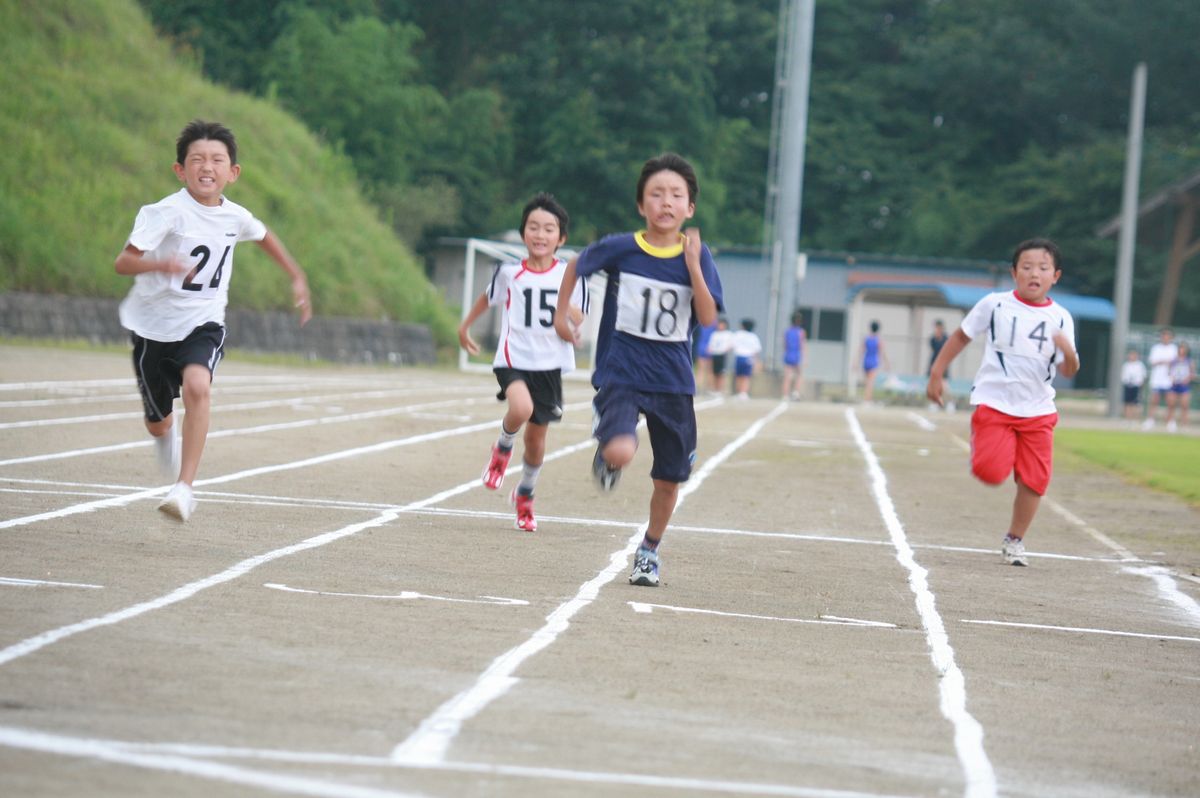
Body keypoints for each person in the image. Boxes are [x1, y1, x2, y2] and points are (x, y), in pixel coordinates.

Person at [115, 119, 311, 522]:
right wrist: (161, 263)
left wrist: (296, 275)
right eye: (197, 159)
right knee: (157, 424)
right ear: (180, 169)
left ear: (232, 172)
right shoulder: (165, 212)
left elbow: (263, 235)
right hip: (153, 328)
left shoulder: (235, 217)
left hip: (203, 321)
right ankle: (164, 436)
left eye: (217, 160)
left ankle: (184, 489)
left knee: (198, 386)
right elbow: (124, 261)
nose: (207, 167)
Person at [554, 153, 722, 587]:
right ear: (641, 204)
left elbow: (707, 319)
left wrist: (693, 269)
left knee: (669, 481)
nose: (665, 202)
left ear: (690, 208)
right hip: (622, 372)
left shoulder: (697, 256)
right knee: (620, 451)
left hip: (672, 382)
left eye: (676, 195)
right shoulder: (622, 248)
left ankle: (648, 550)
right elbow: (576, 265)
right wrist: (561, 314)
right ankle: (606, 447)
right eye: (656, 194)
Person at [926, 238, 1079, 567]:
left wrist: (1068, 352)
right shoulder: (994, 305)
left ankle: (1015, 539)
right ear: (1013, 273)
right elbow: (961, 336)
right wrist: (937, 373)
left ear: (1056, 276)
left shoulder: (1062, 318)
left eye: (1042, 268)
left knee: (1035, 480)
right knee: (991, 472)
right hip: (995, 403)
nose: (1033, 273)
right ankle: (991, 447)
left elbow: (1068, 369)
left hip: (1038, 410)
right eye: (1026, 267)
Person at [458, 193, 586, 531]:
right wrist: (465, 325)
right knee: (521, 409)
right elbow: (488, 297)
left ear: (561, 238)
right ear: (523, 232)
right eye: (533, 227)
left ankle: (525, 493)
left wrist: (572, 320)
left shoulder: (572, 276)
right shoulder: (509, 272)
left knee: (536, 442)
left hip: (549, 365)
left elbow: (577, 318)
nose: (540, 235)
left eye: (548, 229)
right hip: (513, 358)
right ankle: (501, 448)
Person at [1143, 328, 1178, 429]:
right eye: (1164, 336)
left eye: (1168, 336)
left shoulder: (1174, 349)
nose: (1165, 338)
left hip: (1169, 379)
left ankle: (1170, 422)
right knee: (1154, 400)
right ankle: (1150, 420)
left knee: (1170, 402)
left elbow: (1175, 363)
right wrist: (1164, 362)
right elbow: (1153, 362)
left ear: (1171, 338)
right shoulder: (1156, 348)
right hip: (1157, 379)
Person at [1165, 342, 1193, 432]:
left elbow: (1191, 373)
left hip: (1184, 386)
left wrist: (1187, 379)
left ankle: (1184, 423)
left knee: (1184, 405)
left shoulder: (1189, 361)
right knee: (1171, 405)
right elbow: (1169, 371)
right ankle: (1170, 422)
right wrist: (1172, 378)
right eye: (1180, 348)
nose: (1182, 350)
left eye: (1183, 348)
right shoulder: (1173, 360)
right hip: (1174, 385)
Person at [731, 318, 763, 400]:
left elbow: (732, 345)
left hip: (739, 357)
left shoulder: (738, 334)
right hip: (749, 358)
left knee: (739, 376)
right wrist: (756, 361)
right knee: (746, 376)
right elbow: (756, 350)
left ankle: (739, 392)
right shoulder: (753, 337)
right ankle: (744, 393)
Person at [860, 320, 888, 403]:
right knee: (870, 382)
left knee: (867, 382)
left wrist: (856, 363)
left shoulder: (866, 339)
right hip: (873, 362)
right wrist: (886, 363)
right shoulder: (878, 340)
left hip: (866, 361)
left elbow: (861, 351)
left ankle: (867, 398)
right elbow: (882, 352)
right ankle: (867, 399)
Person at [781, 310, 806, 400]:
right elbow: (802, 345)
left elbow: (784, 344)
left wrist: (786, 353)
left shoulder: (787, 331)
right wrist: (804, 358)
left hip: (788, 354)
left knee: (787, 376)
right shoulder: (801, 332)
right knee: (799, 374)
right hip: (796, 354)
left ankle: (785, 395)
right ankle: (796, 393)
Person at [706, 317, 733, 396]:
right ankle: (714, 389)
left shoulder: (728, 334)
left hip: (722, 355)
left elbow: (730, 345)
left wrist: (725, 351)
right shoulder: (714, 334)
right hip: (714, 354)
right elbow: (710, 345)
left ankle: (720, 389)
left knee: (721, 373)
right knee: (713, 372)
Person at [1119, 348, 1147, 422]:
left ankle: (1134, 419)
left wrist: (1141, 385)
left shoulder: (1140, 365)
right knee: (1127, 402)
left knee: (1135, 403)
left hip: (1136, 386)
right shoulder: (1126, 365)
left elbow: (1143, 376)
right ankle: (1127, 418)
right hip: (1128, 385)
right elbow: (1123, 376)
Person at [693, 321, 717, 393]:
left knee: (700, 370)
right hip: (710, 347)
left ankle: (698, 388)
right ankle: (709, 389)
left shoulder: (699, 323)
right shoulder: (714, 324)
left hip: (701, 347)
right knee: (709, 370)